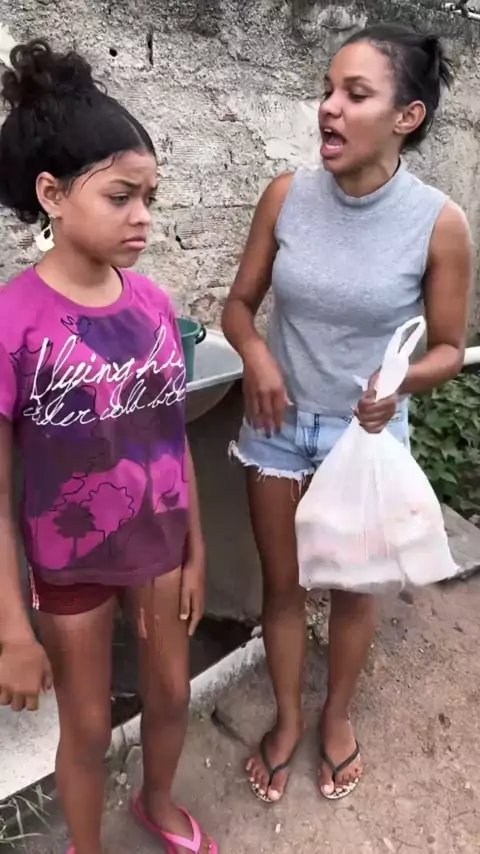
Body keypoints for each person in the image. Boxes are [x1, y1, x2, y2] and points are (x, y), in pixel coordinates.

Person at [222, 23, 472, 803]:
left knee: (355, 590)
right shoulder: (286, 196)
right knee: (283, 586)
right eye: (327, 90)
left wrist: (400, 386)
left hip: (364, 438)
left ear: (407, 117)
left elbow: (449, 347)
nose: (328, 107)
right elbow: (238, 306)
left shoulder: (438, 222)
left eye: (354, 94)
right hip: (277, 430)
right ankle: (289, 716)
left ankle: (337, 715)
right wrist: (257, 356)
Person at [0, 40, 217, 854]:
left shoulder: (155, 304)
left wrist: (196, 548)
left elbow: (172, 430)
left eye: (149, 197)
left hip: (158, 545)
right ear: (52, 194)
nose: (143, 217)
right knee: (87, 727)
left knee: (171, 693)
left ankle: (157, 802)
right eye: (121, 196)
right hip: (70, 565)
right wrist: (12, 627)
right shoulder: (13, 322)